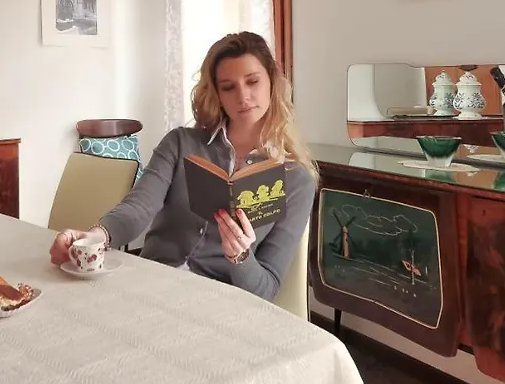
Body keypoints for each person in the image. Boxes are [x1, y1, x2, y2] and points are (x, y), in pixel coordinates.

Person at [48, 31, 318, 301]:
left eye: (253, 81)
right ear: (217, 94)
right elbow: (138, 207)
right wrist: (95, 237)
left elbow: (266, 289)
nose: (243, 96)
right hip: (150, 286)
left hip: (218, 303)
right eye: (228, 87)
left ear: (272, 82)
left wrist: (241, 257)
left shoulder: (296, 180)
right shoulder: (180, 143)